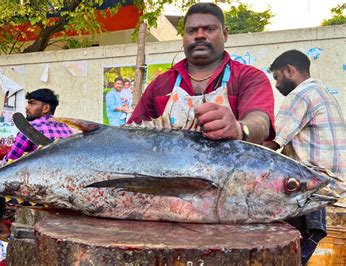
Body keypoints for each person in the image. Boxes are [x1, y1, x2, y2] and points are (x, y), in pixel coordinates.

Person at [128, 2, 274, 144]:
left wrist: (240, 129)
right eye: (191, 31)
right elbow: (131, 133)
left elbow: (260, 121)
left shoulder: (249, 77)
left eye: (209, 29)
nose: (199, 36)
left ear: (225, 34)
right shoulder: (161, 83)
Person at [263, 50, 345, 265]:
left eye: (277, 77)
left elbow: (270, 144)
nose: (277, 85)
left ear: (290, 70)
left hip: (315, 183)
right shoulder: (322, 92)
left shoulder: (301, 94)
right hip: (331, 183)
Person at [0, 88, 73, 227]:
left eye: (32, 104)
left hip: (35, 192)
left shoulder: (31, 128)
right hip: (60, 191)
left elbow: (8, 164)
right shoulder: (67, 129)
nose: (27, 107)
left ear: (45, 108)